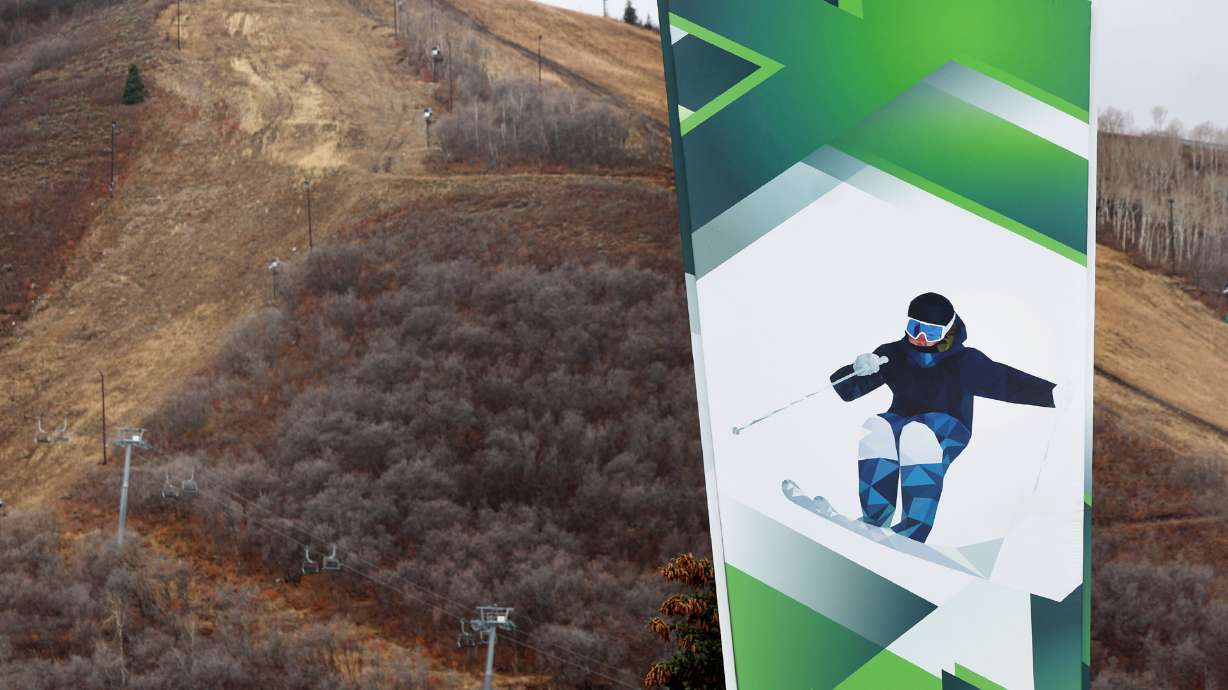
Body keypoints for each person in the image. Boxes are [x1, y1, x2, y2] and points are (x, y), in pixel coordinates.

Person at [830, 292, 1056, 543]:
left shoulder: (965, 361)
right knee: (877, 428)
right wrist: (857, 370)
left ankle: (913, 530)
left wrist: (1055, 395)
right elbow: (848, 392)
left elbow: (1008, 382)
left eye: (931, 332)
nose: (921, 338)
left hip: (948, 425)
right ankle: (874, 520)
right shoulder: (893, 354)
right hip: (900, 420)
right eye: (915, 328)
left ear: (948, 330)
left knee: (917, 434)